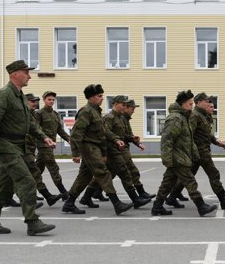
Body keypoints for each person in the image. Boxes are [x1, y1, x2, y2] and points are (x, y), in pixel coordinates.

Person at [0, 60, 55, 236]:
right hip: (6, 146)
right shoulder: (3, 94)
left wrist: (44, 137)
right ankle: (32, 222)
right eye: (26, 72)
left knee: (3, 186)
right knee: (27, 181)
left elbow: (29, 123)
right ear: (15, 74)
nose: (29, 75)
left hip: (17, 146)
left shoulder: (20, 96)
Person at [61, 84, 134, 216]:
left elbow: (103, 131)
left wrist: (115, 140)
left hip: (96, 147)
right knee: (103, 173)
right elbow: (76, 134)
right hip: (88, 147)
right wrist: (75, 153)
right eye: (99, 96)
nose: (102, 98)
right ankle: (117, 203)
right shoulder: (86, 111)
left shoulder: (96, 111)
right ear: (91, 98)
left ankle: (69, 203)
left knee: (85, 176)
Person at [166, 92, 225, 210]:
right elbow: (190, 133)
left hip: (201, 150)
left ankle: (172, 197)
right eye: (206, 101)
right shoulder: (195, 115)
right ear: (198, 102)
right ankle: (223, 198)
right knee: (213, 173)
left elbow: (205, 133)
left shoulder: (202, 115)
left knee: (188, 176)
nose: (209, 103)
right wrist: (191, 150)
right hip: (199, 151)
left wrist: (216, 141)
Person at [151, 90, 217, 216]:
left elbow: (188, 139)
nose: (192, 107)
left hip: (181, 156)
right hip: (178, 158)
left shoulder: (184, 117)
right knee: (190, 182)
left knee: (167, 183)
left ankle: (157, 206)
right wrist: (167, 159)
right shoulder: (176, 118)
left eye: (192, 104)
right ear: (182, 104)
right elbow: (167, 139)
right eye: (189, 104)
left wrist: (195, 154)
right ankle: (201, 206)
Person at [102, 95, 152, 209]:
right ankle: (135, 199)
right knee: (124, 173)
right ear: (115, 104)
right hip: (112, 150)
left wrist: (131, 138)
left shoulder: (119, 118)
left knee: (121, 173)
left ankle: (136, 198)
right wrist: (116, 140)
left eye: (126, 105)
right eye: (123, 105)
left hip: (118, 149)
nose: (125, 107)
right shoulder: (109, 117)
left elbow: (122, 134)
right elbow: (105, 132)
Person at [25, 93, 62, 206]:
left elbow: (36, 130)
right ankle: (54, 195)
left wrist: (46, 139)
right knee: (33, 172)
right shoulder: (33, 114)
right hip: (23, 147)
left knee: (33, 171)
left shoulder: (32, 114)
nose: (34, 103)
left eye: (35, 101)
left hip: (31, 147)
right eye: (32, 101)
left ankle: (34, 197)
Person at [35, 90, 72, 199]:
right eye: (49, 99)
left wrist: (68, 139)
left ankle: (27, 191)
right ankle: (64, 192)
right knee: (53, 167)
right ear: (44, 100)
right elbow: (35, 129)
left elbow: (60, 130)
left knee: (37, 170)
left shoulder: (55, 114)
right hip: (43, 144)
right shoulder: (39, 113)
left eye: (52, 100)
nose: (51, 101)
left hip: (50, 145)